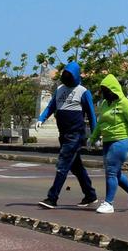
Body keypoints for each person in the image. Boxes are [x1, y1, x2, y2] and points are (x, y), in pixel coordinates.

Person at [36, 61, 98, 209]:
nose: (67, 77)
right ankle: (90, 195)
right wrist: (41, 118)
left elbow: (91, 115)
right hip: (63, 134)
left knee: (63, 164)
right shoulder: (59, 90)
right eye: (65, 74)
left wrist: (95, 136)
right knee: (76, 167)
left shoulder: (83, 91)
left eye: (70, 75)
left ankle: (52, 198)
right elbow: (51, 106)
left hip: (75, 135)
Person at [88, 74, 128, 214]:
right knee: (115, 172)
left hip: (121, 141)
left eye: (106, 91)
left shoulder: (125, 103)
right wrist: (93, 137)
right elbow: (100, 122)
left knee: (110, 171)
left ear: (113, 89)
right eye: (103, 91)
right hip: (107, 142)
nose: (104, 94)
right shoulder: (104, 104)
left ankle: (109, 203)